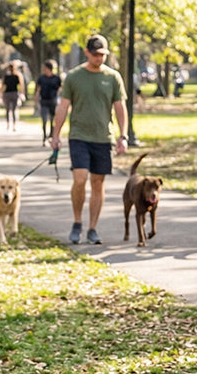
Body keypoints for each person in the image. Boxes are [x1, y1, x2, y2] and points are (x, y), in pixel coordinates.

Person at [49, 34, 128, 245]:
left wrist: (123, 135)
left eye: (102, 55)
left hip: (103, 137)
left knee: (98, 183)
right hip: (79, 137)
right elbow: (63, 106)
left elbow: (120, 108)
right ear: (86, 53)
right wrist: (55, 135)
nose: (99, 58)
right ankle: (77, 221)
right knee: (80, 179)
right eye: (95, 54)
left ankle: (92, 228)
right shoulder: (74, 77)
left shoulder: (113, 77)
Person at [35, 60, 62, 146]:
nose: (43, 70)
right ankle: (44, 137)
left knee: (52, 120)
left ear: (48, 68)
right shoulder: (41, 78)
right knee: (44, 119)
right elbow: (38, 89)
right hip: (44, 101)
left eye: (45, 68)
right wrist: (36, 100)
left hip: (53, 101)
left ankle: (51, 135)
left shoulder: (56, 78)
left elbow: (60, 89)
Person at [0, 61, 25, 132]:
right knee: (12, 110)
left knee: (10, 110)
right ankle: (11, 124)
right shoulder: (11, 76)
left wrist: (21, 93)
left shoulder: (16, 75)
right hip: (11, 93)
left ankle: (11, 124)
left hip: (11, 93)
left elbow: (21, 85)